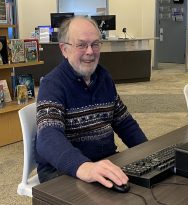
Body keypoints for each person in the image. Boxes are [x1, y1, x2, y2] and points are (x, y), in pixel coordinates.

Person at [35, 16, 148, 189]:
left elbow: (124, 123)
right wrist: (84, 167)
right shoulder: (52, 84)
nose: (90, 51)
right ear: (64, 49)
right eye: (81, 45)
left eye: (95, 44)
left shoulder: (104, 77)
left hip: (103, 161)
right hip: (63, 171)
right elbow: (48, 137)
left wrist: (149, 152)